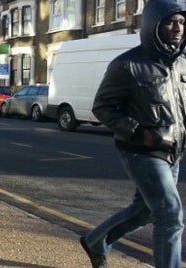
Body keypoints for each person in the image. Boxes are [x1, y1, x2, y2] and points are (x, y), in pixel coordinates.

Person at [84, 1, 186, 267]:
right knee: (169, 214)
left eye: (182, 22)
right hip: (142, 150)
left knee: (144, 212)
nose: (178, 28)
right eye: (170, 21)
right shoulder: (127, 64)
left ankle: (96, 241)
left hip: (174, 151)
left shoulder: (182, 64)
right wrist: (141, 134)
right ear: (154, 24)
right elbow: (102, 108)